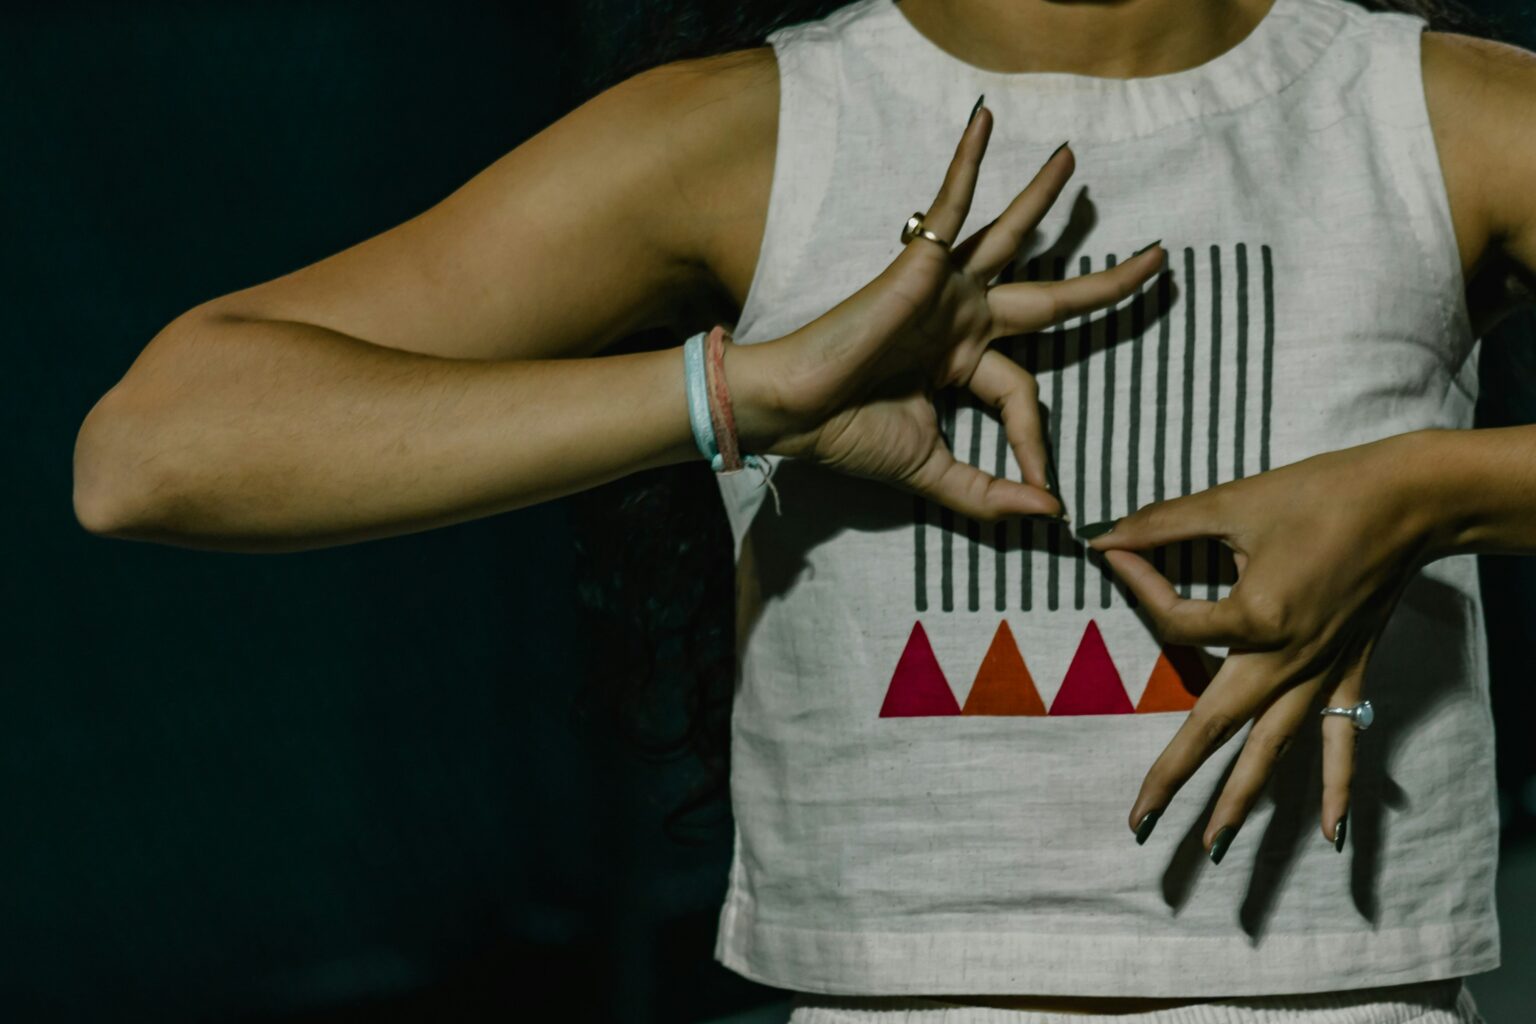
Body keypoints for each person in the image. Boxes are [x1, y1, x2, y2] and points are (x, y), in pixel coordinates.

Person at [70, 0, 1536, 1019]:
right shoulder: (759, 133)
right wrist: (737, 395)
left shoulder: (1427, 111)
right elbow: (152, 450)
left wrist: (1434, 488)